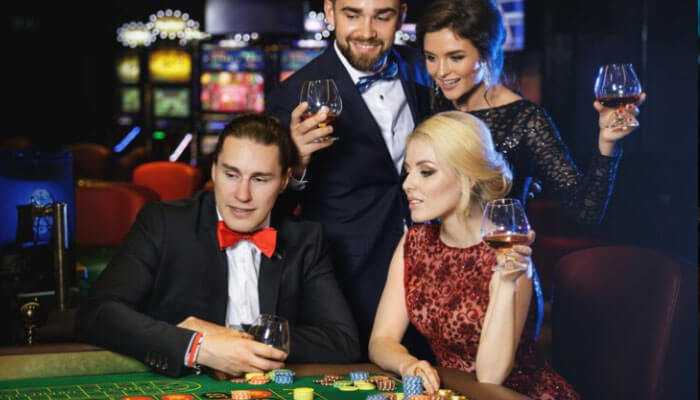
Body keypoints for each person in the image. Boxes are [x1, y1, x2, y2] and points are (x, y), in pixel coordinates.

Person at [78, 114, 360, 377]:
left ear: (285, 180)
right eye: (231, 174)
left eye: (260, 179)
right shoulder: (164, 223)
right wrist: (197, 346)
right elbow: (97, 313)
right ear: (213, 171)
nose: (242, 195)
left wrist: (238, 340)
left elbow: (342, 340)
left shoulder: (305, 239)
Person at [369, 111, 580, 399]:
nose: (407, 184)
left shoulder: (508, 249)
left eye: (426, 171)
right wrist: (407, 364)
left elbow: (491, 377)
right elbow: (381, 340)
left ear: (468, 177)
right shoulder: (414, 243)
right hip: (453, 392)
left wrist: (505, 282)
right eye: (408, 170)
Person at [267, 0, 432, 356]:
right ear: (330, 12)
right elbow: (268, 211)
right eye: (352, 14)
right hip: (348, 275)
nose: (367, 32)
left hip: (430, 270)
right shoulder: (291, 94)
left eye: (382, 16)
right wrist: (295, 164)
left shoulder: (424, 70)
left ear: (401, 15)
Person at [417, 0, 644, 225]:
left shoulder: (526, 119)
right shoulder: (431, 103)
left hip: (500, 256)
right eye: (431, 58)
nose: (441, 71)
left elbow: (586, 211)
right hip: (433, 255)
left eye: (456, 57)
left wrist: (607, 144)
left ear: (486, 54)